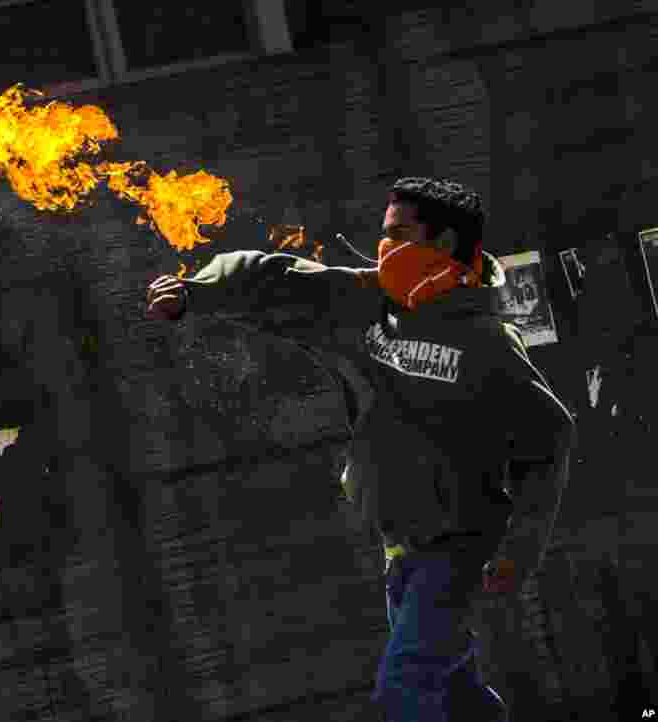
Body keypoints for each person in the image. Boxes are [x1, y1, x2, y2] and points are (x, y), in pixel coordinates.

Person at [145, 177, 575, 722]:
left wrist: (519, 554)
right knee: (455, 691)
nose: (383, 248)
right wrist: (195, 293)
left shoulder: (489, 343)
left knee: (406, 688)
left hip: (460, 550)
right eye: (382, 235)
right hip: (401, 548)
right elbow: (274, 276)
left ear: (441, 245)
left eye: (397, 235)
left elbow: (551, 439)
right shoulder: (367, 302)